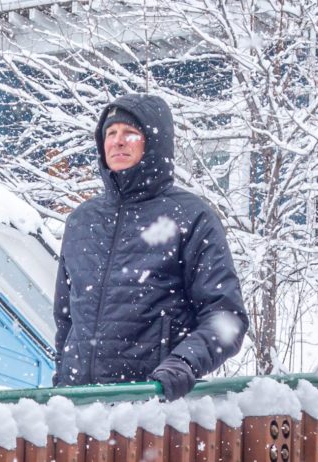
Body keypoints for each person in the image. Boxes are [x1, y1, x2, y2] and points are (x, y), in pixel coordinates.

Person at [52, 93, 248, 401]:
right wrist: (62, 380)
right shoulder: (81, 222)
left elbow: (226, 317)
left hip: (153, 408)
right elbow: (66, 321)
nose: (118, 141)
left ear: (154, 142)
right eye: (110, 133)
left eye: (130, 133)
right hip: (81, 407)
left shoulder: (190, 217)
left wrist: (183, 363)